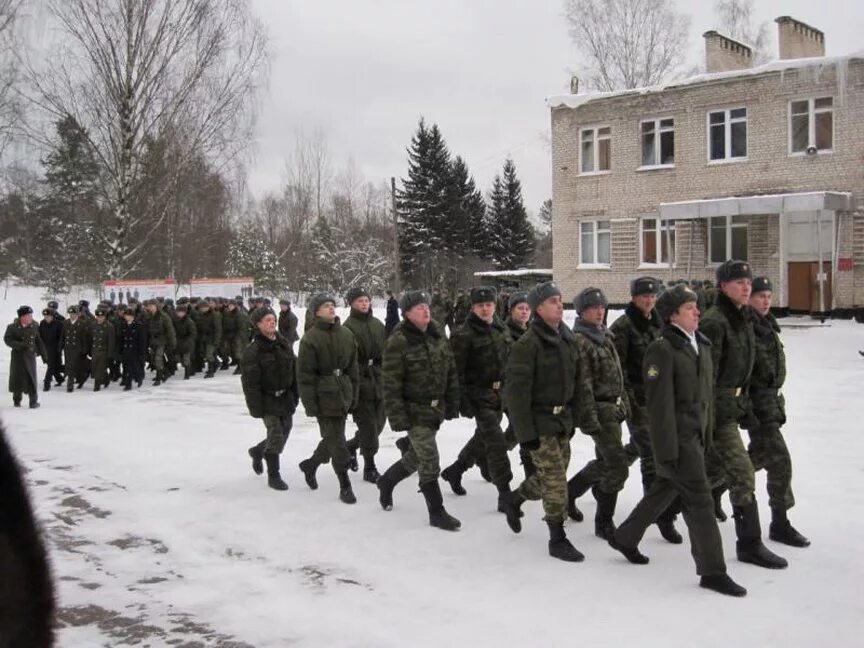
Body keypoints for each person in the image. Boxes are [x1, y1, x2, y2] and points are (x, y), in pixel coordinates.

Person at [608, 284, 747, 597]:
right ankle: (713, 571)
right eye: (689, 308)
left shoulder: (701, 344)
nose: (697, 312)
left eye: (696, 307)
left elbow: (705, 398)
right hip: (679, 442)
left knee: (664, 489)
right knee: (700, 502)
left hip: (697, 437)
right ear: (672, 316)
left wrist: (707, 434)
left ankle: (626, 537)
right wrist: (667, 451)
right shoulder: (663, 349)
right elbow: (659, 407)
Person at [701, 260, 787, 569]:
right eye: (739, 282)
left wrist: (747, 407)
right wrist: (708, 419)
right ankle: (749, 543)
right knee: (742, 473)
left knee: (705, 474)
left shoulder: (743, 319)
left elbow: (747, 373)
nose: (747, 287)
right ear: (724, 286)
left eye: (748, 282)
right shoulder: (715, 321)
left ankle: (662, 512)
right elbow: (706, 378)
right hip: (717, 413)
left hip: (736, 407)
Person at [502, 282, 585, 562]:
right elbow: (515, 394)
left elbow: (576, 380)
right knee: (555, 480)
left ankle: (516, 499)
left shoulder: (567, 337)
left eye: (561, 300)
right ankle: (557, 537)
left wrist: (576, 417)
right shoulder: (527, 345)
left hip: (563, 420)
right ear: (538, 308)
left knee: (552, 474)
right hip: (539, 421)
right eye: (553, 301)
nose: (560, 305)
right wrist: (525, 434)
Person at [600, 276, 682, 544]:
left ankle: (597, 479)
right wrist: (625, 400)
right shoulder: (623, 326)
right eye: (644, 296)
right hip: (637, 398)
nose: (649, 300)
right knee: (651, 454)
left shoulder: (660, 321)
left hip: (661, 398)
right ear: (633, 298)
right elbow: (617, 368)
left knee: (638, 449)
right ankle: (658, 514)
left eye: (653, 296)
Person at [375, 290, 461, 531]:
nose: (425, 310)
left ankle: (387, 481)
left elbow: (450, 369)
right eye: (418, 307)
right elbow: (390, 384)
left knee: (416, 457)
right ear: (406, 314)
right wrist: (398, 417)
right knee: (430, 459)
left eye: (426, 305)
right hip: (413, 410)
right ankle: (437, 511)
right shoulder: (398, 341)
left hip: (436, 409)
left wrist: (453, 402)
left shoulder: (436, 335)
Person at [745, 276, 809, 547]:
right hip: (756, 408)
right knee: (780, 461)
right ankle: (779, 523)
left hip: (770, 405)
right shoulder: (746, 327)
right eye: (760, 296)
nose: (766, 300)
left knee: (754, 460)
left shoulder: (767, 326)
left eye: (769, 295)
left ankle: (710, 486)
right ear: (748, 299)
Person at [440, 286, 513, 512]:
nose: (485, 309)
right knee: (496, 442)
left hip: (502, 393)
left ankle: (457, 469)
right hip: (479, 395)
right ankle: (505, 492)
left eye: (489, 304)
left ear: (495, 306)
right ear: (472, 307)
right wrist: (463, 400)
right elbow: (456, 372)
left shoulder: (502, 329)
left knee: (483, 436)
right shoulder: (463, 335)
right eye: (480, 305)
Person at [568, 287, 630, 541]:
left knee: (605, 462)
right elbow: (584, 383)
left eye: (602, 307)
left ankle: (570, 492)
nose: (600, 311)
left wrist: (623, 401)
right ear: (582, 312)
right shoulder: (581, 341)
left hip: (613, 408)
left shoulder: (604, 335)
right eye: (594, 308)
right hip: (599, 410)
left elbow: (616, 372)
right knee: (617, 466)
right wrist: (589, 418)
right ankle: (603, 521)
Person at [297, 293, 360, 504]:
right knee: (338, 442)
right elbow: (305, 376)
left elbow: (353, 368)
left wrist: (354, 394)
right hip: (324, 396)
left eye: (332, 305)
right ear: (316, 312)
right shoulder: (310, 338)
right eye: (325, 306)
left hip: (343, 392)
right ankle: (345, 485)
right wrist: (310, 405)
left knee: (333, 437)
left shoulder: (346, 334)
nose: (331, 308)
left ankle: (311, 464)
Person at [241, 307, 299, 491]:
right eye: (267, 320)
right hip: (267, 399)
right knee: (275, 435)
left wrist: (295, 394)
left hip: (286, 397)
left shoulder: (283, 344)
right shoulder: (253, 351)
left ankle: (258, 451)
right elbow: (250, 383)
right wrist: (256, 407)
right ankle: (274, 476)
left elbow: (294, 369)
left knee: (285, 431)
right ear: (258, 325)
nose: (272, 322)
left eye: (273, 319)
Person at [343, 288, 387, 483]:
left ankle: (351, 446)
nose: (364, 304)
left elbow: (385, 350)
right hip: (360, 380)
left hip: (379, 378)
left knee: (379, 424)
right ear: (352, 303)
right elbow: (346, 358)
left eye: (366, 300)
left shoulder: (378, 324)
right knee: (369, 426)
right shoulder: (348, 327)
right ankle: (370, 466)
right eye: (360, 301)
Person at [5, 306, 46, 408]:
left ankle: (33, 402)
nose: (30, 318)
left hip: (30, 357)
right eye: (28, 316)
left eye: (31, 315)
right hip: (17, 357)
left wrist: (44, 355)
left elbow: (38, 340)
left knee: (31, 379)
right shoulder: (12, 327)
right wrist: (19, 345)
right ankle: (16, 400)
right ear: (22, 317)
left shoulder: (34, 325)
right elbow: (7, 340)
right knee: (17, 379)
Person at [62, 305, 90, 392]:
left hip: (77, 348)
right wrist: (60, 346)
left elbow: (84, 338)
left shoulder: (81, 324)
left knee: (77, 367)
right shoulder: (66, 323)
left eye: (74, 314)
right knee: (69, 367)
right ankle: (70, 385)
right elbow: (63, 336)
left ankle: (81, 379)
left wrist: (85, 349)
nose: (72, 315)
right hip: (68, 348)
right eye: (70, 314)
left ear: (77, 314)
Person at [119, 306, 147, 390]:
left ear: (132, 316)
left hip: (135, 350)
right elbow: (121, 339)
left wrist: (142, 352)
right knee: (126, 367)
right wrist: (120, 350)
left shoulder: (138, 326)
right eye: (125, 315)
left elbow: (142, 341)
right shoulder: (123, 325)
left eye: (128, 315)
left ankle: (131, 382)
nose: (126, 317)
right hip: (126, 350)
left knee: (134, 367)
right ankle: (129, 381)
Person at [89, 305, 116, 392]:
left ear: (105, 317)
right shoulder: (93, 325)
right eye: (98, 316)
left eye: (102, 317)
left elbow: (111, 342)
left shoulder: (109, 326)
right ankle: (106, 378)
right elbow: (89, 338)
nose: (100, 318)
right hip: (94, 350)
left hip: (104, 351)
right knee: (95, 366)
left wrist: (110, 354)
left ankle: (97, 385)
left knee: (99, 368)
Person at [220, 299, 250, 374]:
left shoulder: (239, 314)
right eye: (229, 305)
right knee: (232, 350)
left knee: (238, 351)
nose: (230, 307)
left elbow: (241, 327)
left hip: (238, 335)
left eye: (231, 305)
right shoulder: (226, 313)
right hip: (229, 334)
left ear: (235, 306)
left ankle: (240, 367)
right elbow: (224, 324)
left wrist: (238, 337)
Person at [38, 308, 64, 391]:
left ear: (52, 316)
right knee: (53, 366)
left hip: (56, 348)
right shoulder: (42, 323)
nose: (47, 318)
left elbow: (61, 337)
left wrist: (60, 347)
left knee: (51, 366)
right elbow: (40, 337)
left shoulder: (58, 324)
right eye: (45, 316)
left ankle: (47, 383)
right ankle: (60, 379)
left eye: (49, 316)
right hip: (45, 349)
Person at [195, 299, 221, 378]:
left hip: (212, 337)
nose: (202, 309)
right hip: (204, 337)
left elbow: (218, 329)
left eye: (204, 307)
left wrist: (216, 340)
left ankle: (211, 371)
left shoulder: (214, 315)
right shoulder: (200, 315)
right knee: (207, 354)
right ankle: (216, 364)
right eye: (201, 308)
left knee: (209, 354)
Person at [173, 304, 197, 380]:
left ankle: (187, 374)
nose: (179, 314)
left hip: (187, 343)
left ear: (185, 312)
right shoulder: (176, 321)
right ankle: (190, 370)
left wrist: (187, 341)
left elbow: (193, 333)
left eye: (181, 312)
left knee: (186, 359)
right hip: (178, 342)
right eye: (178, 312)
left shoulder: (189, 321)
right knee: (178, 358)